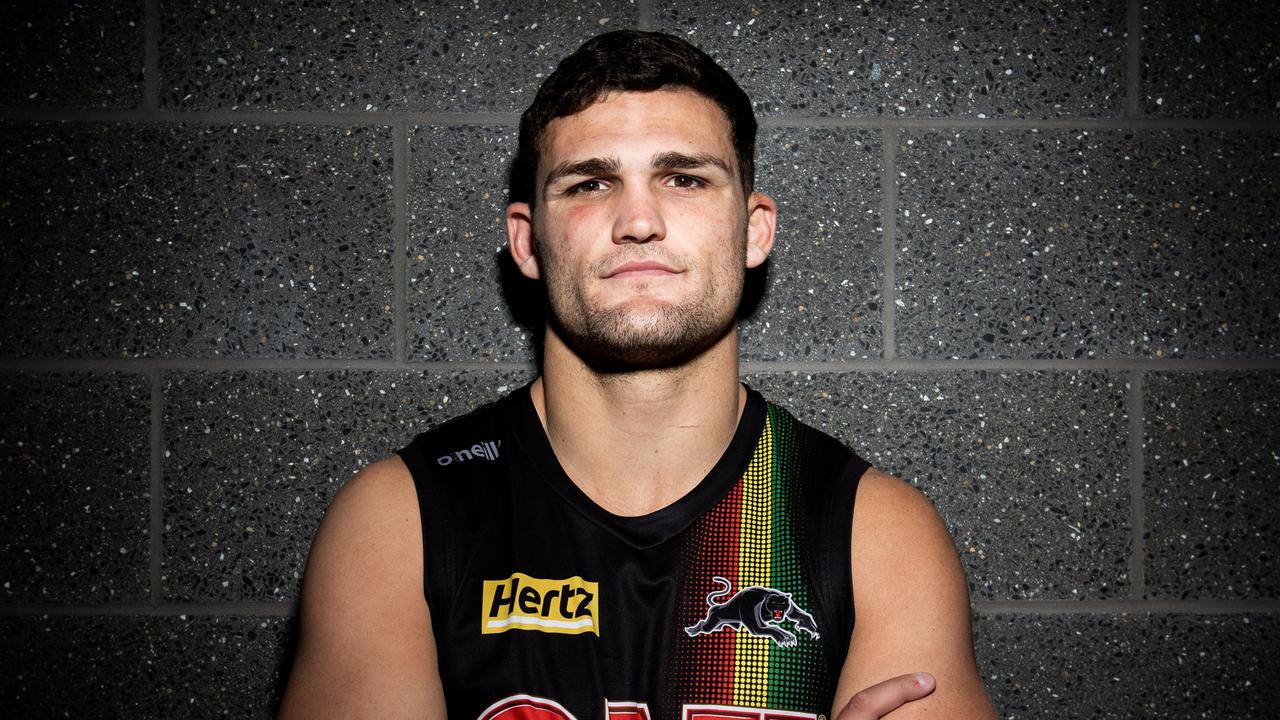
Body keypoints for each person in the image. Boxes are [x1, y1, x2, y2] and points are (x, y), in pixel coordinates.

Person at [279, 30, 997, 720]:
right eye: (591, 183)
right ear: (527, 243)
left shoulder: (877, 535)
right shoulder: (398, 523)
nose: (639, 220)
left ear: (754, 230)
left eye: (683, 178)